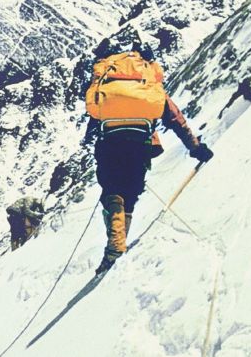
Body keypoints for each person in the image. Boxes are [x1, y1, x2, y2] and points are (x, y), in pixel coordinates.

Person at [86, 42, 214, 275]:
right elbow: (175, 118)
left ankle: (115, 244)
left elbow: (95, 114)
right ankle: (118, 243)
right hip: (141, 140)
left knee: (112, 190)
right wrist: (196, 148)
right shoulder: (147, 85)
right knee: (131, 191)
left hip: (110, 141)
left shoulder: (107, 81)